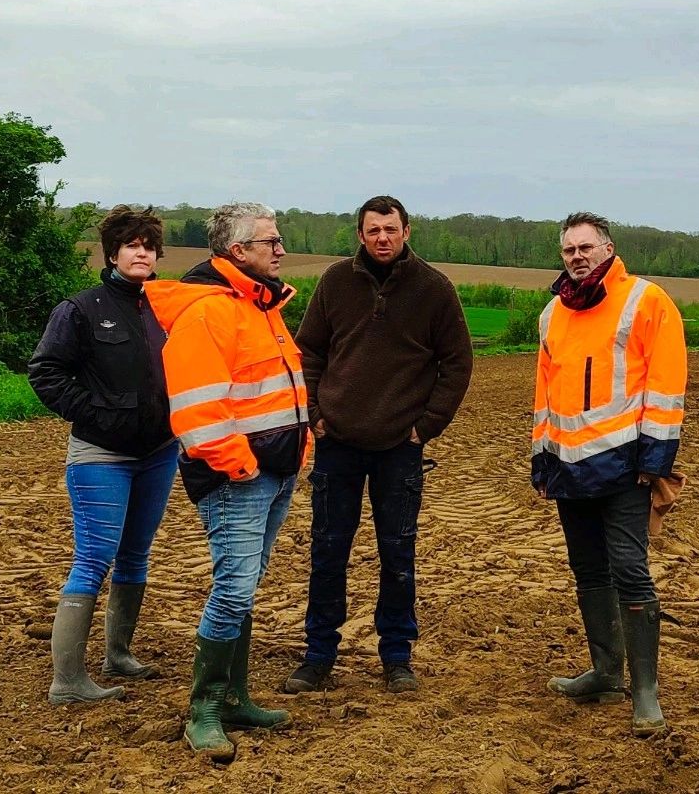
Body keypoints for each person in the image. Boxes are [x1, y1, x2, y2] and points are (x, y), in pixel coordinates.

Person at [284, 195, 473, 696]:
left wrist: (426, 425)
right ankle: (318, 655)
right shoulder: (335, 282)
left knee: (397, 553)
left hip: (399, 447)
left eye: (391, 229)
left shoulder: (433, 289)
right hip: (337, 442)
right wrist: (316, 416)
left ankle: (396, 656)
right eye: (373, 230)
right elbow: (309, 352)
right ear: (360, 234)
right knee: (328, 551)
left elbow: (457, 363)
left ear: (407, 231)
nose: (382, 238)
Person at [145, 203, 311, 762]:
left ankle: (236, 698)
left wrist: (297, 448)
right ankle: (206, 711)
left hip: (274, 470)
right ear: (237, 251)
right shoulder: (208, 312)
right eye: (271, 240)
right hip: (239, 476)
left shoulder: (258, 304)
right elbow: (197, 409)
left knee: (245, 587)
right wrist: (240, 466)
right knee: (233, 590)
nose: (281, 248)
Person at [532, 211, 686, 736]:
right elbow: (544, 394)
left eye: (586, 247)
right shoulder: (553, 313)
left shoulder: (646, 301)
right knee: (588, 571)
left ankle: (645, 692)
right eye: (569, 250)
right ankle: (604, 672)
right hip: (570, 467)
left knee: (629, 570)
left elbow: (667, 386)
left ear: (608, 248)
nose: (577, 257)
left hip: (625, 466)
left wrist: (655, 461)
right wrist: (541, 456)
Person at [28, 205, 178, 705]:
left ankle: (119, 655)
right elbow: (46, 372)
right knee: (94, 558)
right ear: (112, 252)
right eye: (132, 244)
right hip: (101, 454)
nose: (142, 252)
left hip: (159, 452)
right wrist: (97, 415)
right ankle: (68, 681)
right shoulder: (81, 308)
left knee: (136, 557)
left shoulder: (165, 308)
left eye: (149, 245)